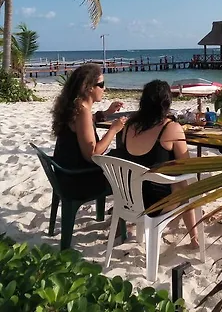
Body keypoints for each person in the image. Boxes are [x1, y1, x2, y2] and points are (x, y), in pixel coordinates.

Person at [109, 80, 199, 248]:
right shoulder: (171, 128)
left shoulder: (128, 126)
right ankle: (194, 238)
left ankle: (120, 228)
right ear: (167, 103)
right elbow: (186, 166)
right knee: (183, 184)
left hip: (128, 199)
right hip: (156, 202)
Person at [52, 63, 127, 199]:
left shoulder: (75, 106)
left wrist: (106, 113)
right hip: (78, 180)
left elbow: (83, 124)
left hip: (65, 174)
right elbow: (92, 155)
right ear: (89, 87)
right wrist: (113, 130)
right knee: (127, 169)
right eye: (101, 84)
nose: (105, 88)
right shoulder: (82, 111)